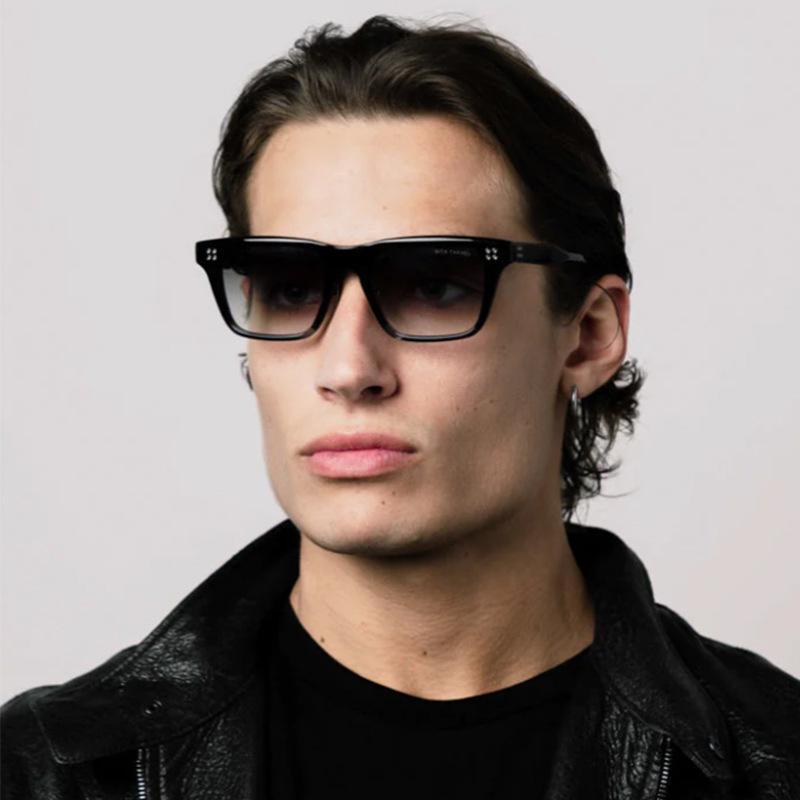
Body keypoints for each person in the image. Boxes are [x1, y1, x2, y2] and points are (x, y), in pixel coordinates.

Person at [2, 13, 799, 800]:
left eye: (435, 286)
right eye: (291, 289)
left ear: (588, 336)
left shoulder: (777, 759)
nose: (349, 368)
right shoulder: (45, 772)